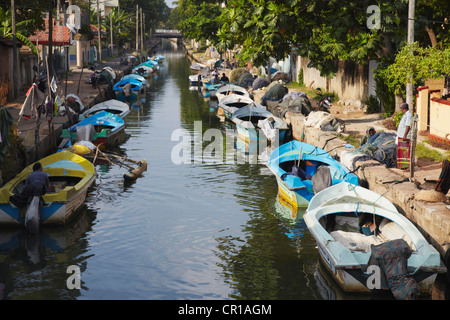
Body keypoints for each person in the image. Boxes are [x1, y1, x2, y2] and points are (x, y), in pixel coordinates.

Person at [396, 103, 413, 169]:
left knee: (405, 151)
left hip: (405, 137)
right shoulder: (405, 115)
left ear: (403, 109)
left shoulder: (408, 115)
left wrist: (405, 135)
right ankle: (402, 166)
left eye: (401, 109)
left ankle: (406, 166)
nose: (401, 110)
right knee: (401, 152)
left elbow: (408, 126)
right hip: (401, 135)